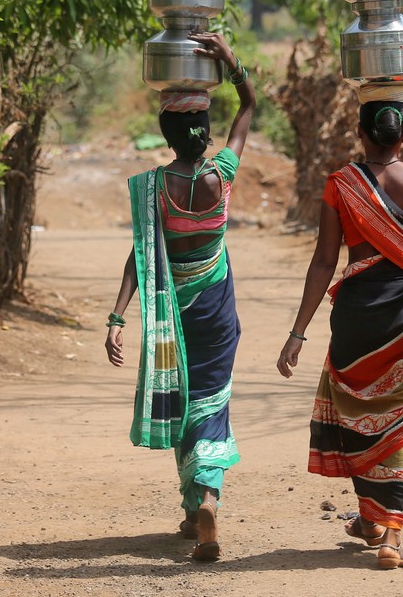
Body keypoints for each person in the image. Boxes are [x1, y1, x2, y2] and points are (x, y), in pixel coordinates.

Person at [276, 19, 403, 570]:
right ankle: (388, 537)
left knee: (359, 413)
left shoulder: (340, 184)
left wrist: (297, 332)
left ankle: (369, 513)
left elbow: (321, 262)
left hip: (357, 320)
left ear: (360, 132)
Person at [106, 30, 255, 563]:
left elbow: (140, 256)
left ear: (166, 134)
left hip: (171, 313)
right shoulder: (223, 177)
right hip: (215, 306)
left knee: (182, 399)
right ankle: (207, 496)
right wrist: (230, 62)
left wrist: (116, 317)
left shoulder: (155, 189)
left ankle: (196, 509)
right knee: (212, 401)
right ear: (206, 132)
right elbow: (250, 107)